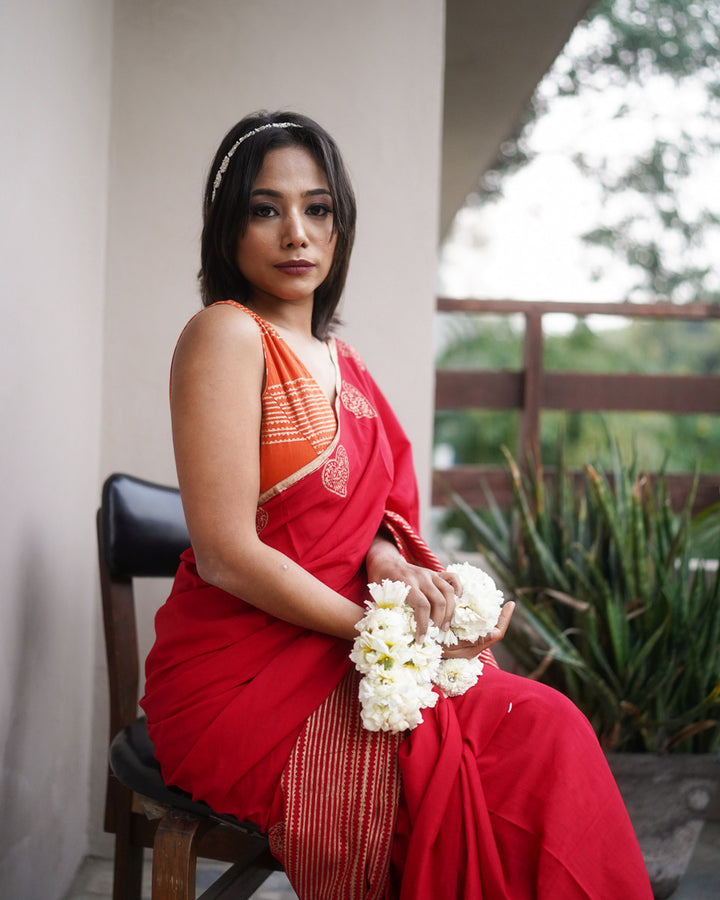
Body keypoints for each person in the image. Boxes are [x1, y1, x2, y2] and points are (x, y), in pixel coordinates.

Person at [141, 110, 653, 899]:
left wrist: (391, 566)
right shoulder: (226, 334)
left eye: (317, 209)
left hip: (343, 650)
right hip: (245, 680)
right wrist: (391, 641)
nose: (295, 234)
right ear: (227, 226)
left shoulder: (347, 365)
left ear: (341, 227)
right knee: (480, 768)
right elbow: (227, 555)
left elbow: (376, 515)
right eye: (265, 208)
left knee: (544, 730)